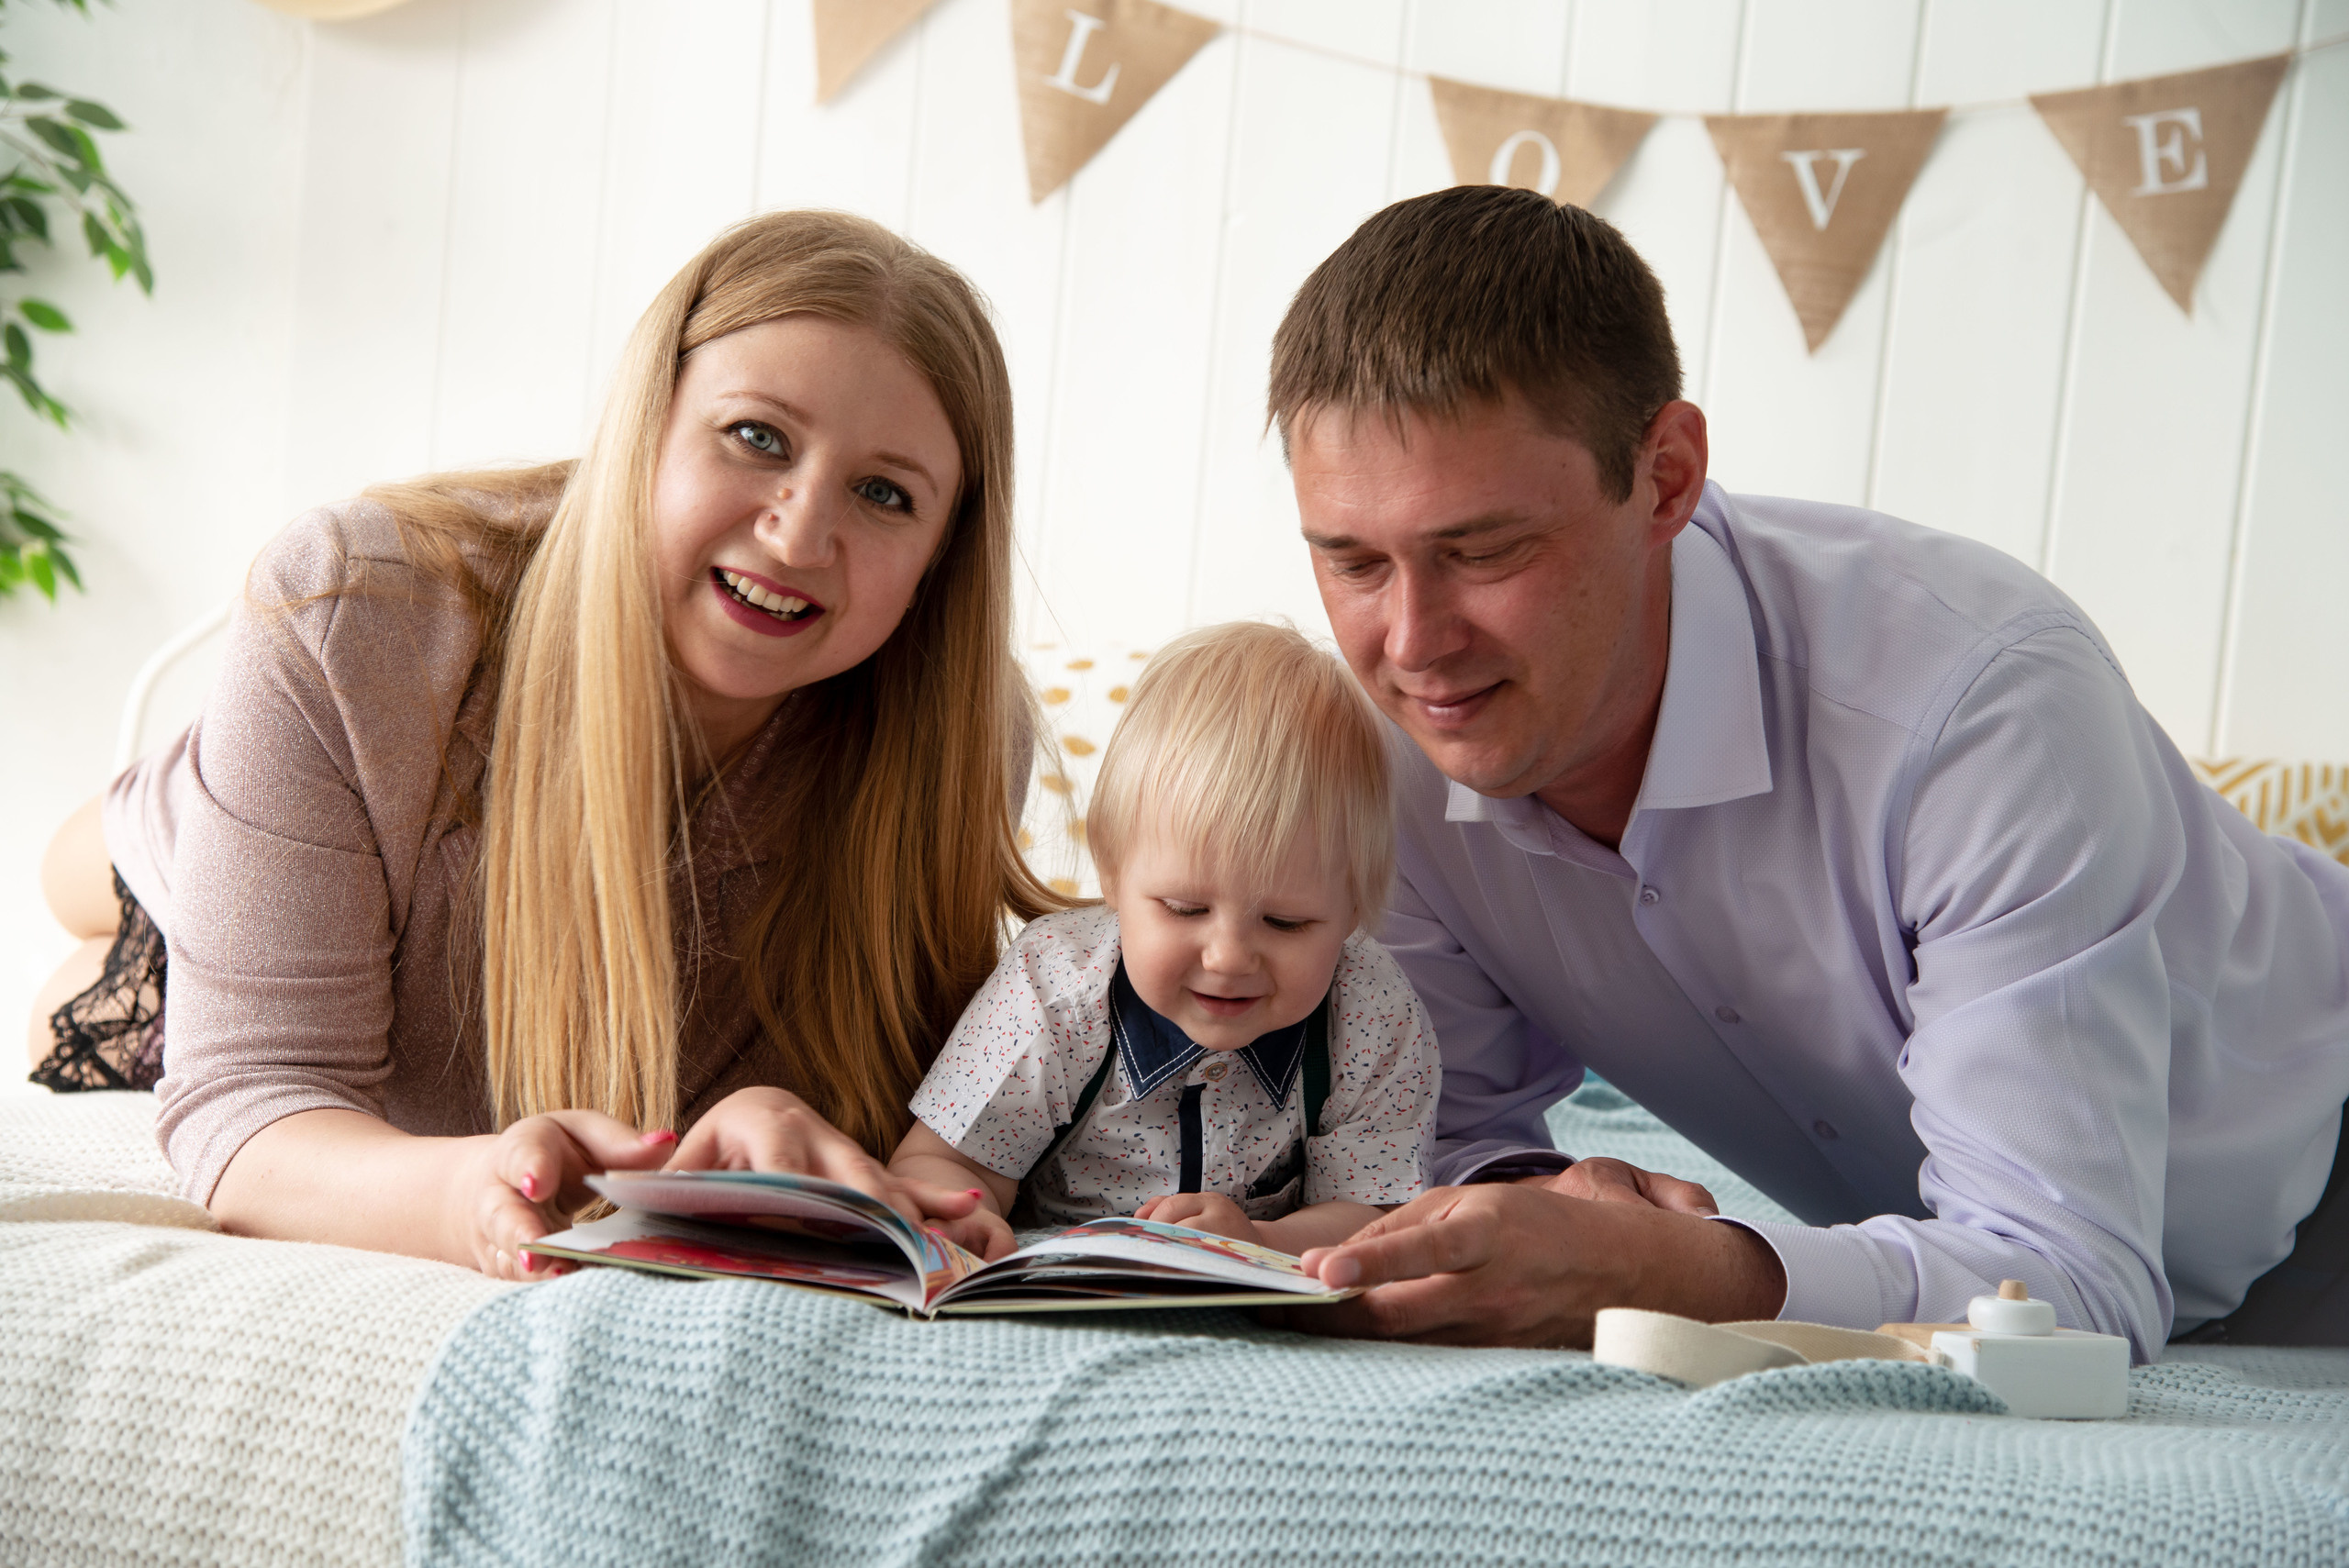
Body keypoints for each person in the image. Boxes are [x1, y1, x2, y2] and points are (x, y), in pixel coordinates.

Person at [1265, 184, 2349, 1358]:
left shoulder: (1980, 703)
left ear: (1666, 477)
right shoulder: (1385, 763)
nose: (1414, 643)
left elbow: (2070, 1277)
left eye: (1482, 551)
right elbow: (1449, 1136)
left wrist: (1668, 1270)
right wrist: (1548, 1209)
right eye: (1354, 563)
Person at [25, 210, 1059, 1278]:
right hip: (287, 825)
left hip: (418, 919)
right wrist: (468, 1196)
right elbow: (248, 1099)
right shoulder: (358, 601)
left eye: (884, 493)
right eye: (757, 436)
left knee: (73, 995)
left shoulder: (961, 742)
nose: (798, 536)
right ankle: (150, 827)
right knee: (83, 898)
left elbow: (895, 1128)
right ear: (644, 425)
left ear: (942, 557)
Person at [888, 621, 1442, 1260]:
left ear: (1352, 912)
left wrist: (1257, 1239)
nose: (1229, 957)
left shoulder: (1372, 1014)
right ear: (1114, 875)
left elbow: (1376, 1214)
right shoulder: (1055, 987)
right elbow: (943, 1161)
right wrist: (957, 1215)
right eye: (1184, 908)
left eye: (1286, 922)